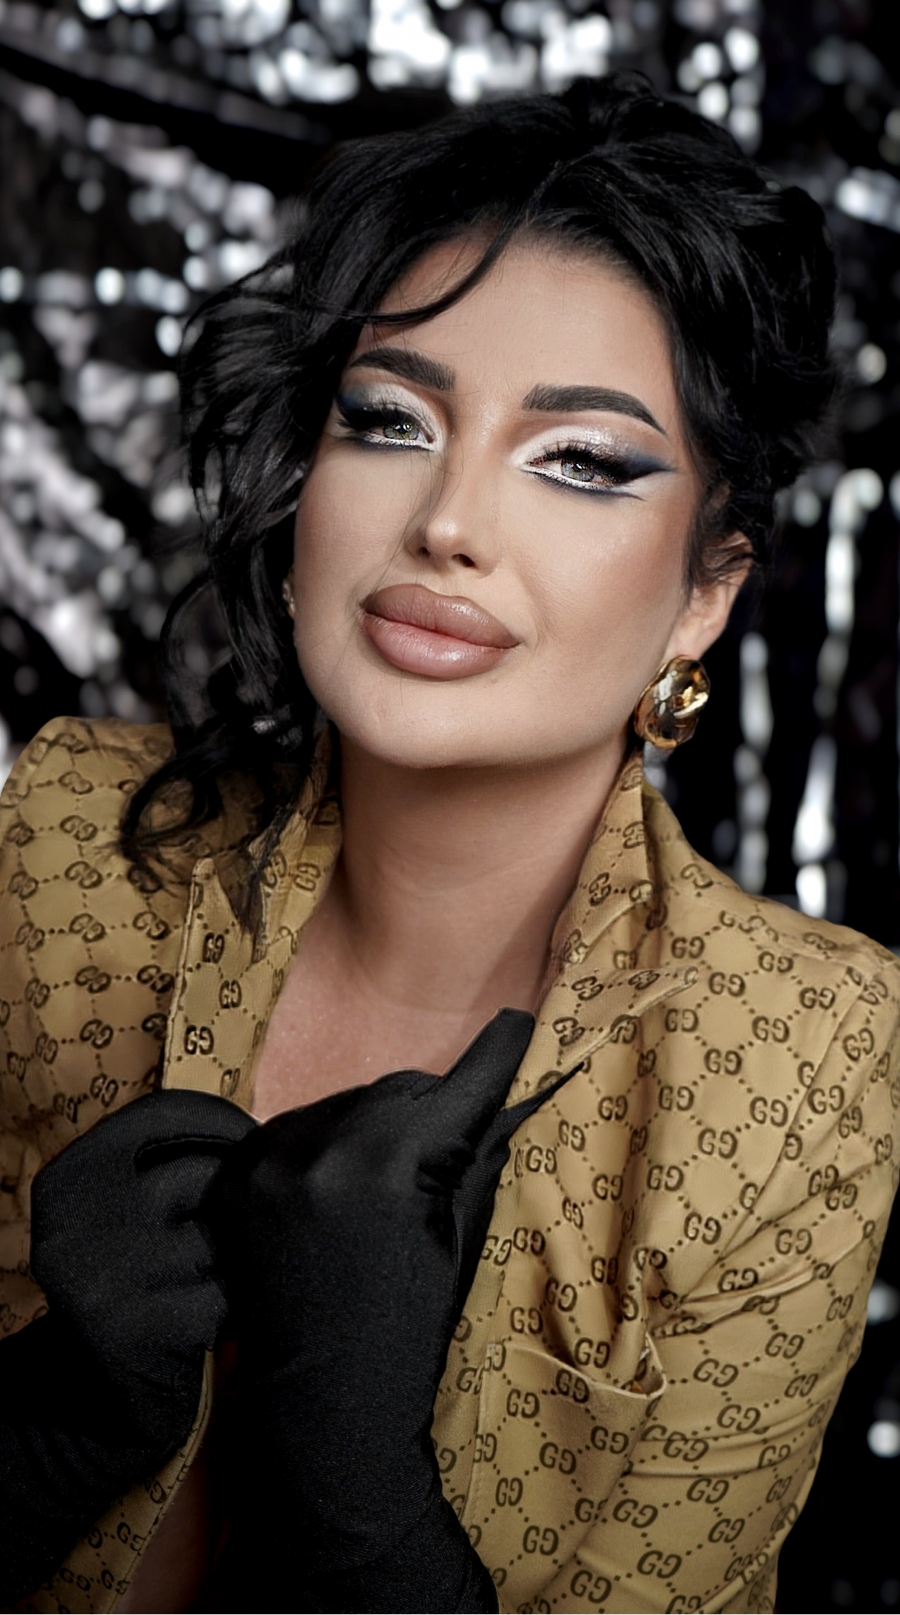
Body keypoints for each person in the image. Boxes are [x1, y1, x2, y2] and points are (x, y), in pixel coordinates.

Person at [1, 71, 898, 1615]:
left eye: (583, 459)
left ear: (705, 593)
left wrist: (362, 1487)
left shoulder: (805, 1055)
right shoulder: (66, 843)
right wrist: (46, 1424)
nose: (447, 521)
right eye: (389, 420)